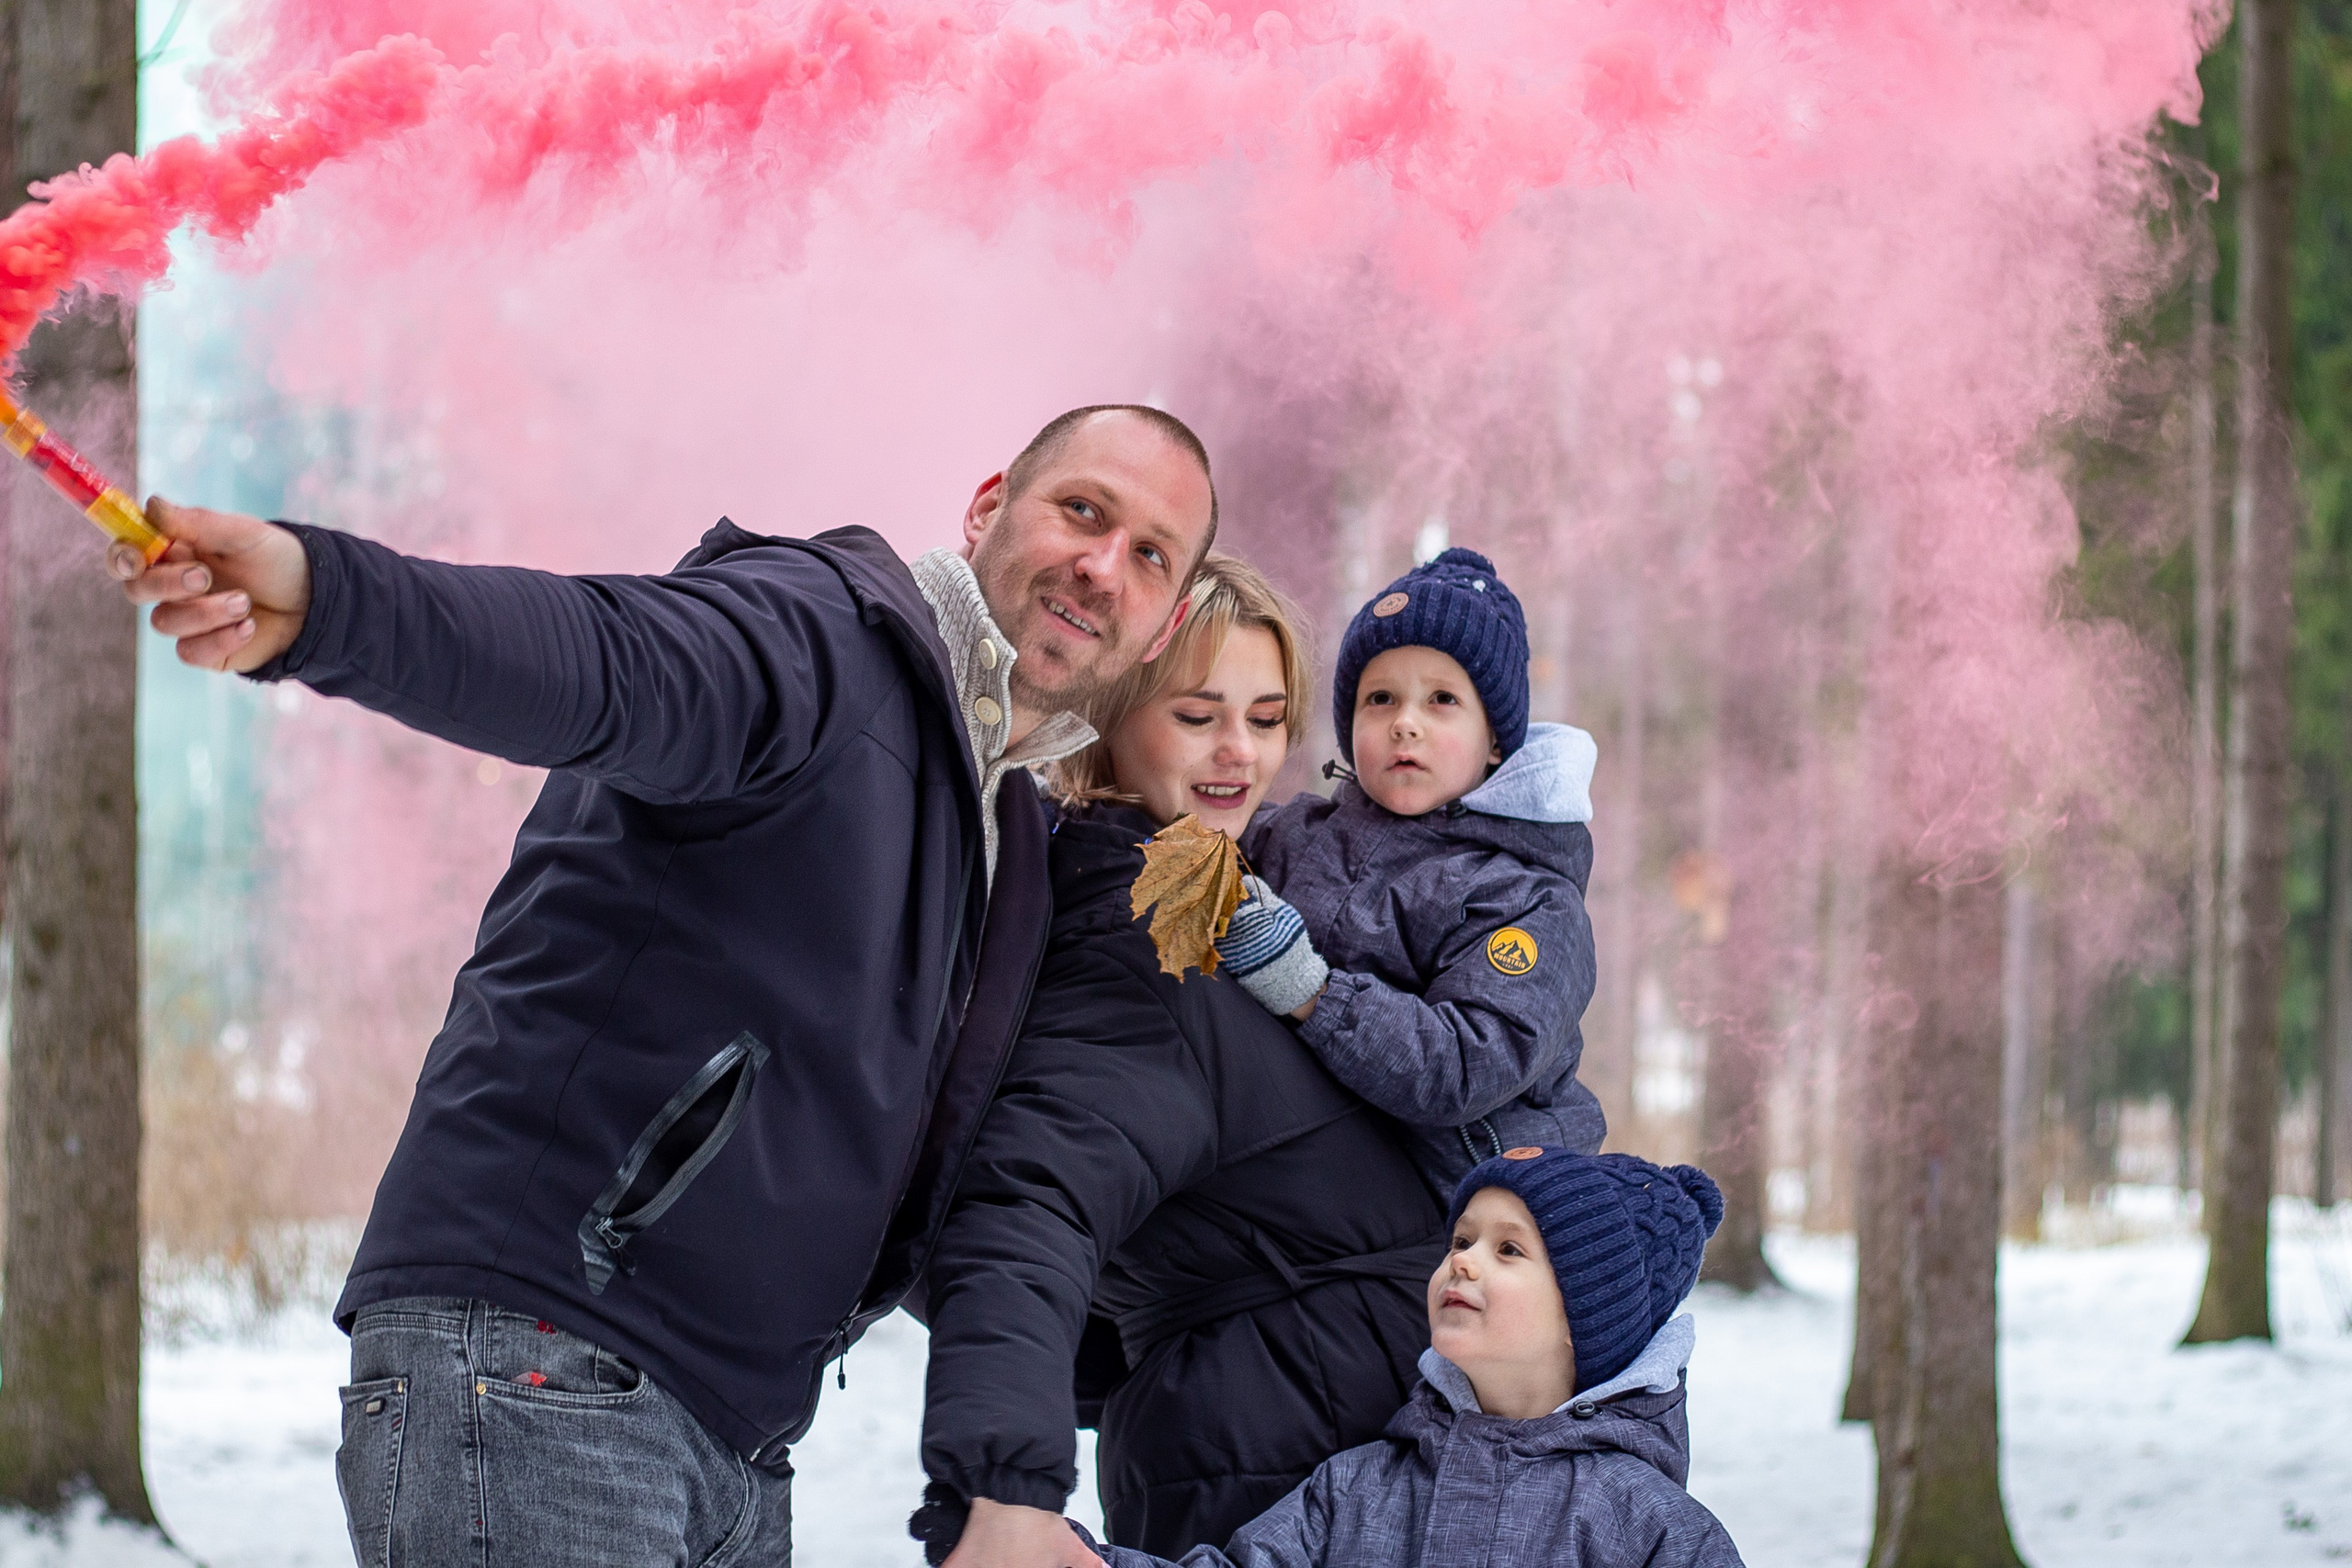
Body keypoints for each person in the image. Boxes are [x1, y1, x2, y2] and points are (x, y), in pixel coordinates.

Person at [112, 405, 1216, 1565]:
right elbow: (602, 657)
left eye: (1150, 554)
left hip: (732, 1434)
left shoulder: (1001, 830)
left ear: (1163, 624)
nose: (1102, 566)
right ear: (991, 505)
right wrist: (332, 602)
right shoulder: (823, 638)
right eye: (1081, 511)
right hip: (552, 1360)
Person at [913, 556, 1447, 1568]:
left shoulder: (1206, 903)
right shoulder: (1137, 937)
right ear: (1110, 712)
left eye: (1266, 716)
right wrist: (1003, 1487)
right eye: (1198, 715)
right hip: (1277, 1471)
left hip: (1295, 1444)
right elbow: (1034, 1202)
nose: (1239, 753)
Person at [1080, 1148, 1745, 1568]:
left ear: (1587, 1315)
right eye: (1461, 1237)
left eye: (1508, 1249)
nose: (1462, 1258)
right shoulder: (1355, 1488)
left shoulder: (1649, 1525)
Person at [1216, 547, 1606, 1196]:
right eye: (1380, 698)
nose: (1404, 723)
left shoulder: (1528, 900)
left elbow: (1463, 1065)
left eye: (1442, 700)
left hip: (1445, 1196)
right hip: (1302, 1162)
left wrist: (1310, 989)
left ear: (1496, 742)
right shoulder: (1291, 835)